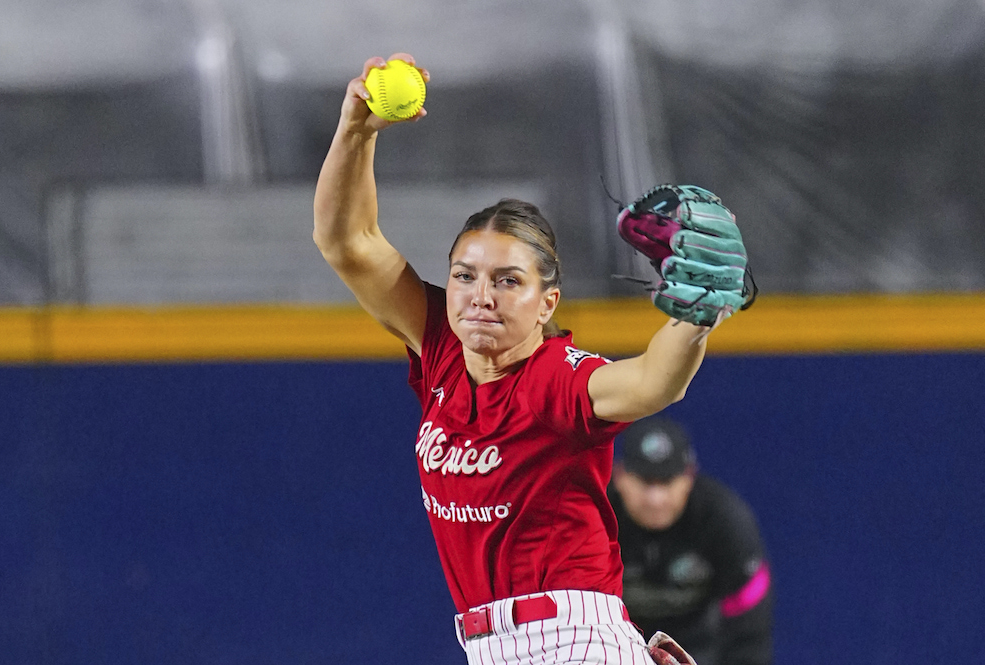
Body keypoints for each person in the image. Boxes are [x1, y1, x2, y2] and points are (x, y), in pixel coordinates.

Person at [313, 53, 731, 665]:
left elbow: (652, 383)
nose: (481, 295)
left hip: (572, 640)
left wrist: (694, 318)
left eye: (508, 280)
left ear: (546, 303)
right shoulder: (442, 352)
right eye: (464, 275)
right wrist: (355, 130)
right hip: (495, 647)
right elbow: (346, 241)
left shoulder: (554, 381)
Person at [609, 417, 773, 665]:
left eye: (666, 482)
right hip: (610, 649)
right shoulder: (595, 516)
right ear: (620, 477)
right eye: (644, 482)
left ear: (688, 478)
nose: (656, 499)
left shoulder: (724, 519)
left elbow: (750, 623)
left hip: (698, 650)